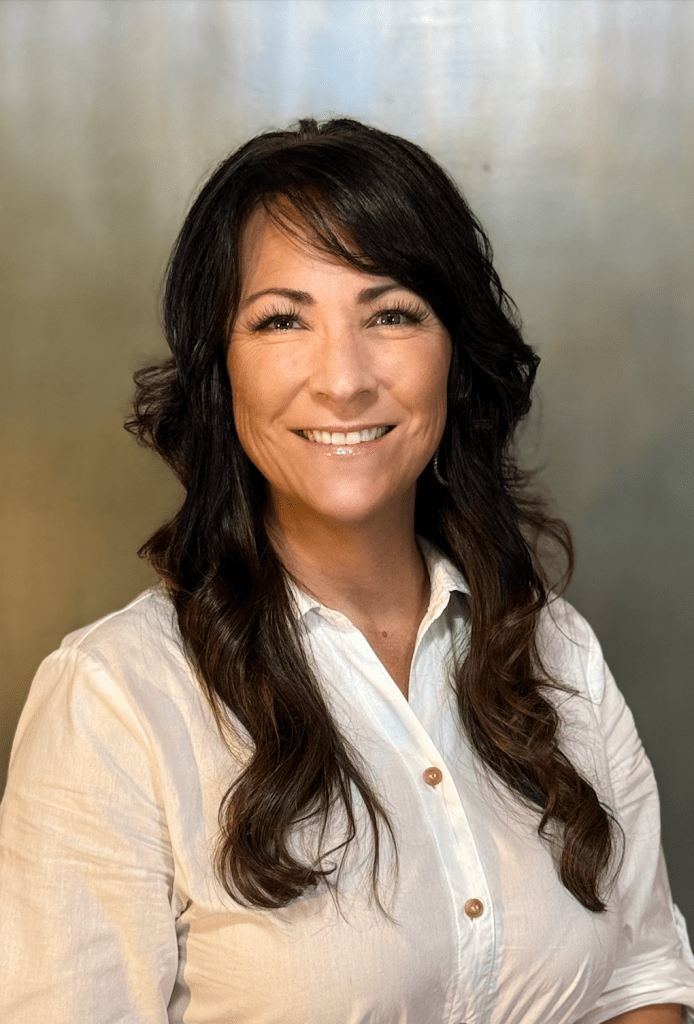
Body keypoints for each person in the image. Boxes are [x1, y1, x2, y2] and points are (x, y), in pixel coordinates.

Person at [1, 117, 692, 1024]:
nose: (343, 379)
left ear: (456, 354)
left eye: (392, 313)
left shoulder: (556, 649)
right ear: (223, 370)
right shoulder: (115, 702)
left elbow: (640, 980)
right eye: (282, 320)